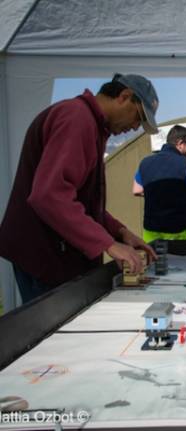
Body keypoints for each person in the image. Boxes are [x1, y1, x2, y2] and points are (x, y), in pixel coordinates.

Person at [0, 73, 159, 304]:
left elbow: (82, 203)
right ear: (124, 97)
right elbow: (49, 196)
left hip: (52, 253)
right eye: (139, 117)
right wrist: (108, 244)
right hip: (44, 256)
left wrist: (120, 232)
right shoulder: (77, 118)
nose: (135, 127)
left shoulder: (91, 124)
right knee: (53, 335)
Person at [132, 125, 186, 242]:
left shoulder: (145, 162)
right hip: (178, 231)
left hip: (151, 231)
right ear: (180, 143)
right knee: (179, 260)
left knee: (156, 260)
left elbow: (136, 190)